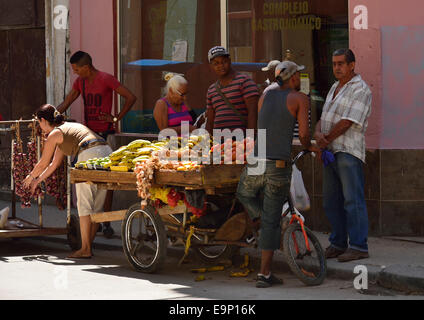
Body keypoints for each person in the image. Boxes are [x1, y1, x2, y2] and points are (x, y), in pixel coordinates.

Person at [237, 61, 319, 288]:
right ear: (293, 78)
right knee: (271, 222)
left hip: (256, 162)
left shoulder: (264, 95)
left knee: (244, 193)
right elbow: (303, 134)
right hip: (278, 166)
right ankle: (264, 274)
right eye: (298, 76)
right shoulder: (299, 99)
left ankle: (258, 217)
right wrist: (309, 146)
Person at [57, 51, 136, 234]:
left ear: (86, 67)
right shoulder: (80, 82)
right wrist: (51, 117)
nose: (75, 72)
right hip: (88, 136)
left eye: (77, 69)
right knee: (89, 180)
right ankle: (94, 221)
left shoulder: (106, 78)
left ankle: (106, 222)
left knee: (106, 181)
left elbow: (131, 97)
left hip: (105, 134)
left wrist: (116, 118)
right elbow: (67, 102)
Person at [23, 104, 112, 259]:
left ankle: (85, 249)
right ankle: (87, 246)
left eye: (39, 123)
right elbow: (54, 164)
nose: (40, 127)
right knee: (97, 205)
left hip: (89, 153)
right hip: (105, 150)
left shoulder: (54, 134)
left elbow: (43, 163)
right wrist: (38, 181)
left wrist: (30, 177)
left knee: (84, 204)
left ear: (43, 120)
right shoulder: (66, 130)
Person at [314, 48, 372, 263]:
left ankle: (358, 246)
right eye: (334, 63)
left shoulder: (361, 89)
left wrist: (325, 138)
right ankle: (338, 243)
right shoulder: (334, 87)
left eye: (341, 63)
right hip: (330, 152)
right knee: (331, 201)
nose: (337, 67)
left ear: (352, 65)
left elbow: (348, 121)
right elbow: (324, 116)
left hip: (348, 151)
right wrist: (318, 133)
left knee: (352, 201)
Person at [205, 46, 259, 135]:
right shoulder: (211, 90)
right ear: (211, 66)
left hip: (241, 142)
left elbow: (253, 113)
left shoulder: (244, 81)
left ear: (229, 61)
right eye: (216, 63)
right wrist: (207, 142)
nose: (221, 66)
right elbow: (210, 121)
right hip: (219, 143)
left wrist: (250, 139)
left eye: (224, 62)